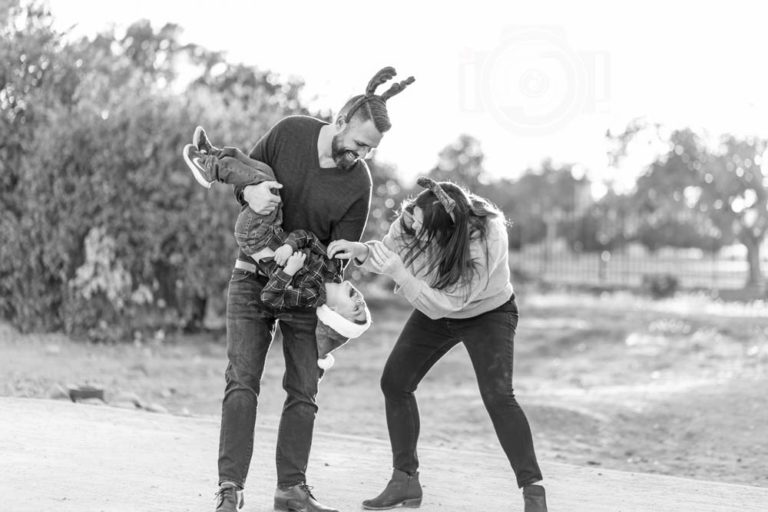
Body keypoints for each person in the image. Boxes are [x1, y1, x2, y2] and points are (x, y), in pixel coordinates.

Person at [209, 67, 414, 512]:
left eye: (371, 150)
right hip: (251, 275)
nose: (362, 155)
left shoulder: (359, 184)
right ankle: (230, 489)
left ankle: (292, 491)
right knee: (241, 381)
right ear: (341, 122)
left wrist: (327, 268)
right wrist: (250, 198)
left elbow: (335, 264)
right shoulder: (290, 133)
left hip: (304, 290)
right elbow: (246, 184)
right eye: (360, 144)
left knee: (304, 388)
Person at [328, 177, 548, 512]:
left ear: (447, 233)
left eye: (421, 228)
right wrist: (362, 252)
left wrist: (403, 276)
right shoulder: (415, 219)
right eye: (411, 218)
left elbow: (449, 303)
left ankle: (533, 493)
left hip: (487, 312)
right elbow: (389, 252)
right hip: (434, 302)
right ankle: (405, 481)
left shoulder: (486, 242)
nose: (412, 228)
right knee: (395, 382)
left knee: (498, 396)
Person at [182, 130, 371, 369]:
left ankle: (211, 168)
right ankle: (213, 155)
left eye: (355, 311)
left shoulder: (310, 295)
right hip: (274, 227)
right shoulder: (331, 266)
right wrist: (291, 244)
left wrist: (289, 271)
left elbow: (269, 296)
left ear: (334, 312)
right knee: (267, 175)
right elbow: (307, 237)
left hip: (256, 237)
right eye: (363, 306)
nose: (361, 303)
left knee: (264, 183)